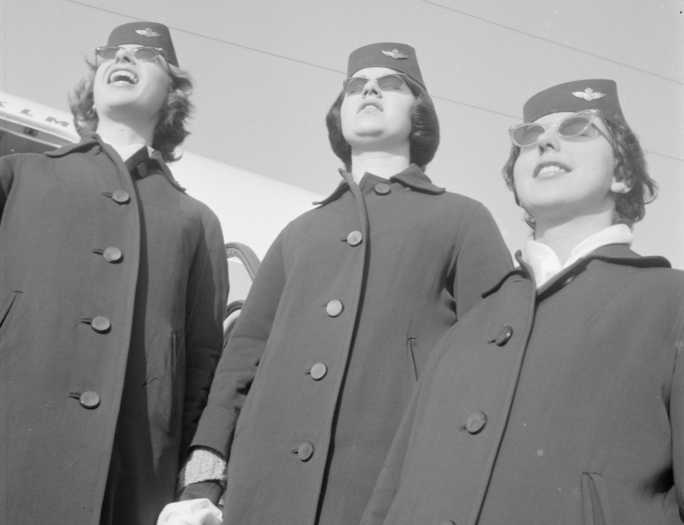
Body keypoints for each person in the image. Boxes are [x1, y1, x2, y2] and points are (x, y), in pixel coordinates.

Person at [175, 43, 511, 525]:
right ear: (339, 113)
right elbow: (242, 357)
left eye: (390, 83)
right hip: (262, 494)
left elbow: (494, 365)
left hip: (386, 495)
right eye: (355, 85)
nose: (369, 88)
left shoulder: (461, 220)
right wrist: (204, 475)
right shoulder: (298, 234)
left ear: (420, 114)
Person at [359, 79, 684, 525]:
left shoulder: (672, 303)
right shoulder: (467, 328)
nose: (546, 140)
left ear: (622, 173)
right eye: (529, 136)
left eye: (577, 128)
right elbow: (389, 496)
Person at [0, 21, 228, 525]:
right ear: (92, 88)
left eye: (146, 55)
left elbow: (204, 370)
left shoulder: (196, 223)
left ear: (173, 94)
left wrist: (193, 485)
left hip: (130, 487)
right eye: (112, 54)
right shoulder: (16, 176)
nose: (124, 59)